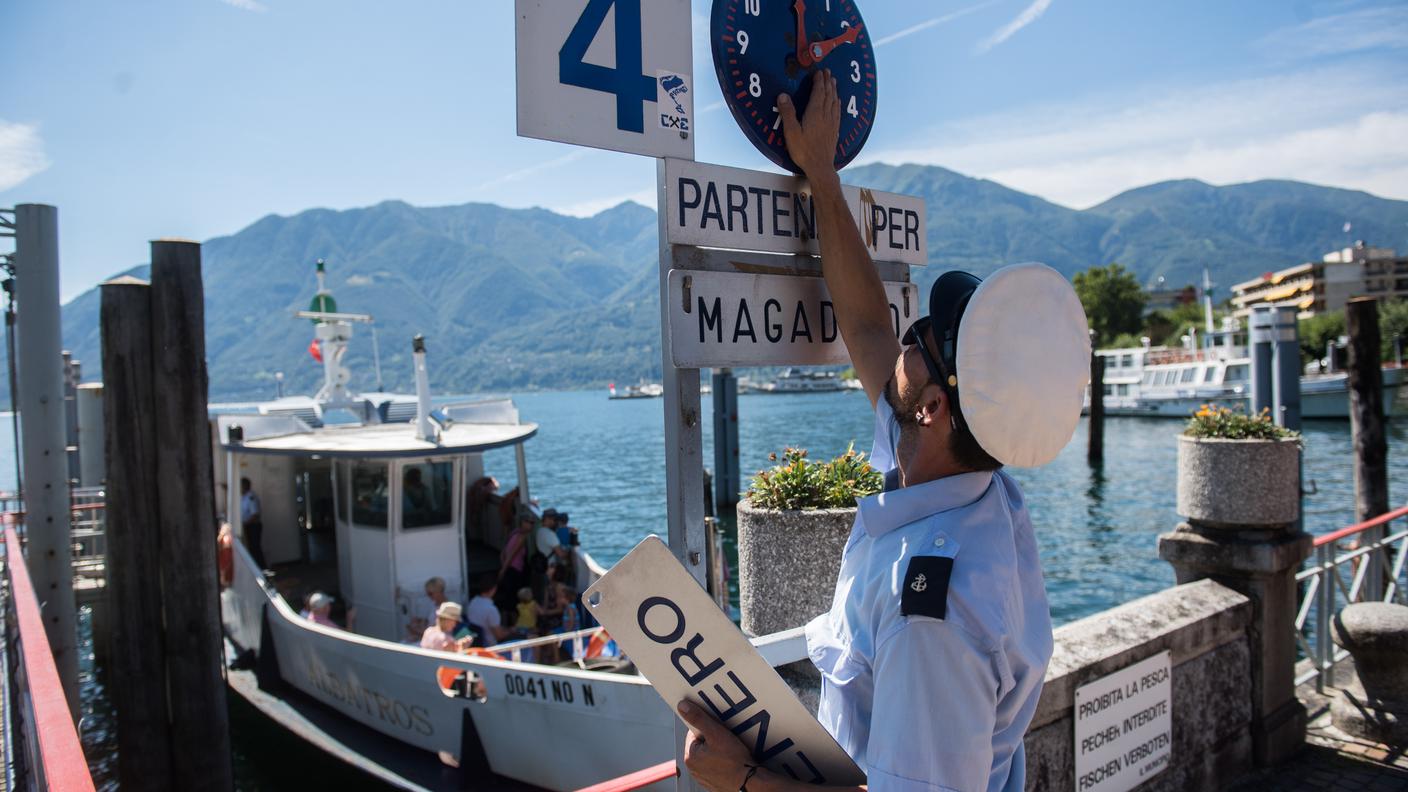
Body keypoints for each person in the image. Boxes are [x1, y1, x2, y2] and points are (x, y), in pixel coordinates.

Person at [677, 71, 1090, 792]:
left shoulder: (933, 614)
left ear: (930, 405)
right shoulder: (967, 479)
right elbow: (866, 323)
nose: (903, 337)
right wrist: (822, 176)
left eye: (920, 340)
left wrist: (740, 781)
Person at [467, 573, 514, 647]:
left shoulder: (473, 602)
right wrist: (511, 630)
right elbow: (499, 636)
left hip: (477, 643)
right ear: (494, 589)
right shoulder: (491, 609)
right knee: (531, 637)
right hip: (491, 647)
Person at [406, 576, 449, 641]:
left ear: (439, 591)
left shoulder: (446, 608)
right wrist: (419, 620)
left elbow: (439, 633)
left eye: (430, 593)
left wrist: (415, 631)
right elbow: (432, 621)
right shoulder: (434, 604)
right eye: (427, 594)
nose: (428, 596)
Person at [240, 477, 266, 569]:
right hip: (247, 526)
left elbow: (255, 515)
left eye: (241, 486)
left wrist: (245, 523)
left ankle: (262, 569)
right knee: (251, 548)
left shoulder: (251, 497)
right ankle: (257, 568)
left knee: (255, 548)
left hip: (253, 526)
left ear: (245, 486)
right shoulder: (243, 497)